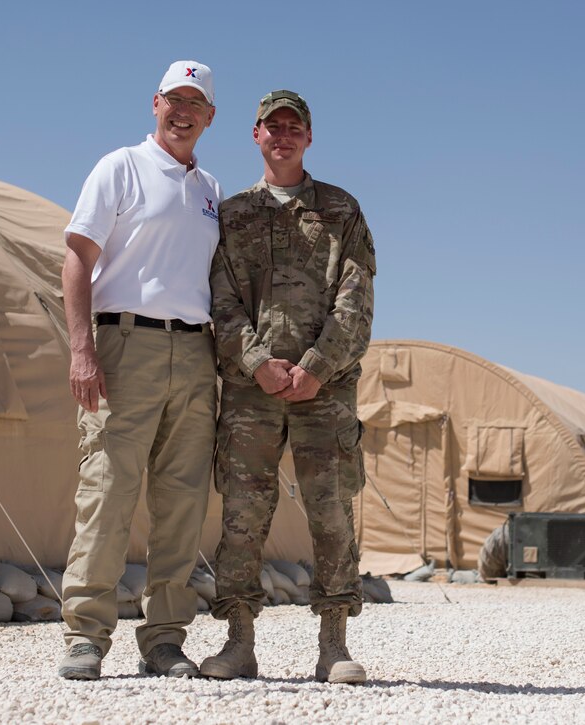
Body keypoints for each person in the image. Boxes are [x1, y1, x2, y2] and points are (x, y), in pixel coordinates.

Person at [202, 90, 376, 684]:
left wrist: (316, 368)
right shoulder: (231, 215)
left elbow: (356, 301)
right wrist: (257, 363)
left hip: (323, 393)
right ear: (255, 135)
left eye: (293, 127)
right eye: (271, 126)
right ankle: (238, 642)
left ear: (308, 137)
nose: (282, 135)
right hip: (252, 392)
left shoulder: (341, 211)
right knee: (243, 515)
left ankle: (334, 646)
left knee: (331, 514)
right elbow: (220, 300)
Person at [56, 60, 221, 681]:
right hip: (126, 346)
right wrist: (81, 349)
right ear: (155, 104)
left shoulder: (210, 191)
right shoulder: (119, 167)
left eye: (195, 103)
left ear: (210, 117)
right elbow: (77, 259)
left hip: (195, 354)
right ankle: (85, 636)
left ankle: (164, 639)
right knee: (108, 491)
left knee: (181, 502)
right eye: (173, 99)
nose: (183, 111)